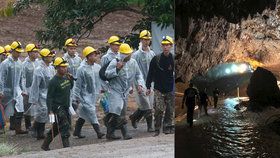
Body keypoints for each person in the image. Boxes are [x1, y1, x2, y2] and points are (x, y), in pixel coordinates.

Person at [105, 43, 145, 140]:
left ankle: (109, 130)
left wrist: (140, 85)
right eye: (126, 54)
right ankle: (125, 133)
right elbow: (107, 74)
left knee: (120, 111)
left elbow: (138, 75)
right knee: (118, 109)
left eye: (129, 53)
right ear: (122, 54)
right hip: (115, 90)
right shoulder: (115, 62)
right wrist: (117, 69)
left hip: (125, 91)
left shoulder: (133, 63)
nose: (129, 55)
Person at [41, 57, 74, 151]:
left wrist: (71, 80)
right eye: (62, 67)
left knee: (56, 127)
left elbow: (70, 87)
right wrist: (50, 110)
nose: (64, 69)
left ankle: (45, 144)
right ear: (57, 68)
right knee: (65, 126)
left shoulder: (66, 77)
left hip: (66, 106)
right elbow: (49, 97)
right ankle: (66, 148)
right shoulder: (53, 81)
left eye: (65, 67)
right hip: (58, 108)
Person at [72, 46, 105, 139]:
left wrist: (103, 88)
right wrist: (75, 97)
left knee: (84, 113)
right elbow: (77, 85)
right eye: (94, 55)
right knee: (91, 111)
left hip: (94, 95)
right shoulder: (81, 69)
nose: (96, 57)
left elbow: (100, 80)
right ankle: (98, 132)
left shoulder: (97, 67)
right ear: (89, 56)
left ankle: (76, 131)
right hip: (84, 95)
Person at [146, 36, 175, 136]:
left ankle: (167, 127)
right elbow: (150, 73)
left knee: (170, 109)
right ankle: (157, 128)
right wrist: (148, 86)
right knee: (159, 109)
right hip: (158, 88)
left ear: (171, 46)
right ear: (161, 46)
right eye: (164, 45)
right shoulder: (156, 59)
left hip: (170, 88)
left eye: (167, 45)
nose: (165, 47)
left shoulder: (173, 59)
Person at [129, 30, 155, 132]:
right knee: (147, 106)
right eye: (145, 39)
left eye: (148, 39)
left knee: (148, 104)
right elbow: (134, 71)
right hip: (140, 83)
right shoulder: (136, 55)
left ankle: (134, 117)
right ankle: (150, 126)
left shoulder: (152, 53)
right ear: (141, 40)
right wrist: (136, 85)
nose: (146, 41)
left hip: (150, 83)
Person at [0, 41, 27, 134]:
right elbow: (1, 78)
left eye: (20, 52)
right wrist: (1, 90)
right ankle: (1, 127)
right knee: (3, 108)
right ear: (12, 51)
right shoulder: (5, 63)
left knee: (20, 107)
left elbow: (21, 77)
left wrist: (22, 89)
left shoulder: (20, 63)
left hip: (16, 90)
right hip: (6, 90)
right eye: (17, 51)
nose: (19, 53)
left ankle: (17, 128)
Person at [29, 48, 55, 140]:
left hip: (49, 94)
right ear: (44, 58)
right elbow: (35, 85)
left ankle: (39, 130)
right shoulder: (39, 69)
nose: (51, 57)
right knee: (42, 112)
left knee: (47, 113)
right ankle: (37, 130)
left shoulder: (51, 67)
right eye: (49, 56)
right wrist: (34, 98)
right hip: (41, 94)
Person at [21, 44, 40, 131]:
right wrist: (24, 90)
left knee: (38, 107)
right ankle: (28, 126)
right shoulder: (24, 64)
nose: (36, 53)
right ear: (29, 53)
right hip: (28, 89)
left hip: (38, 89)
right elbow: (23, 78)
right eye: (34, 52)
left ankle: (36, 126)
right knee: (27, 107)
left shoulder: (38, 63)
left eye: (37, 52)